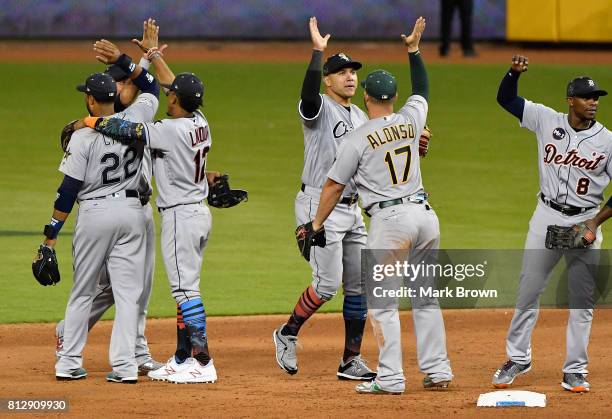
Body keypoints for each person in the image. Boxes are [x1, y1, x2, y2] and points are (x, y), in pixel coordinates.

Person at [307, 17, 453, 395]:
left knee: (384, 305)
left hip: (390, 222)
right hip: (426, 217)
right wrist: (414, 50)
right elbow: (422, 89)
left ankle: (390, 378)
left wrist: (317, 225)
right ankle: (437, 370)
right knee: (426, 297)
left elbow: (334, 186)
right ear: (392, 98)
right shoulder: (410, 119)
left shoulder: (357, 138)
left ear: (367, 97)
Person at [74, 45, 222, 384]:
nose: (167, 97)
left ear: (176, 102)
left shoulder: (171, 130)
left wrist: (89, 120)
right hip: (198, 213)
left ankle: (202, 361)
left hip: (180, 217)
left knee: (185, 291)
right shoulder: (200, 121)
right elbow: (173, 85)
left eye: (172, 95)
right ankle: (183, 357)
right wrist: (154, 57)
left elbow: (127, 131)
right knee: (187, 287)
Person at [492, 55, 612, 393]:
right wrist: (513, 73)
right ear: (570, 100)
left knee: (581, 301)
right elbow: (506, 100)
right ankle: (518, 357)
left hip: (583, 220)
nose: (593, 103)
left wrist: (595, 222)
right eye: (588, 97)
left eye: (597, 98)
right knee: (528, 290)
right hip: (546, 216)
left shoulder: (608, 141)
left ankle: (575, 369)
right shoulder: (546, 119)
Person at [55, 19, 164, 377]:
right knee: (129, 293)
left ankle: (71, 362)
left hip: (96, 214)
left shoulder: (82, 134)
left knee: (86, 290)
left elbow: (68, 190)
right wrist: (136, 60)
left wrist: (50, 232)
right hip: (133, 212)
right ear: (113, 95)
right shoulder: (138, 118)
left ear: (90, 98)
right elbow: (147, 87)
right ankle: (126, 365)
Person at [272, 16, 375, 381]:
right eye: (341, 71)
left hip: (352, 209)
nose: (350, 76)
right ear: (328, 80)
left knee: (359, 285)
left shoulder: (361, 115)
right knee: (328, 285)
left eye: (353, 72)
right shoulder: (318, 110)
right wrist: (318, 53)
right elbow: (307, 94)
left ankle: (350, 360)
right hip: (319, 203)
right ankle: (287, 333)